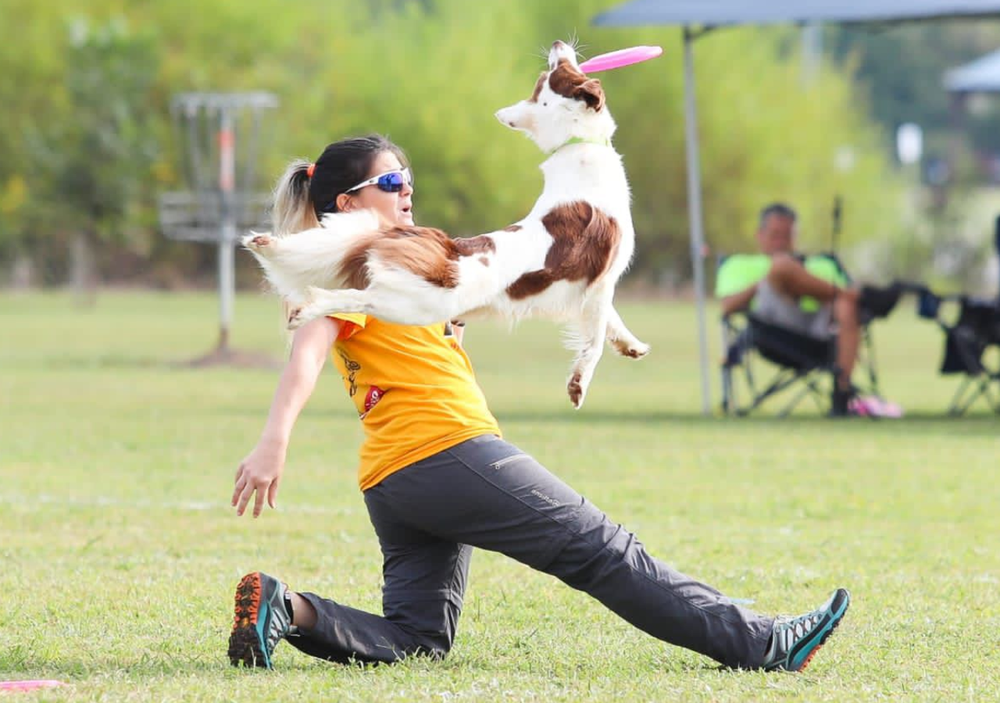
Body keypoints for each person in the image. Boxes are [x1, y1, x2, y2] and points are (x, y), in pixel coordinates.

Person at [227, 136, 850, 672]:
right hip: (446, 452)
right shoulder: (346, 274)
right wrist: (273, 441)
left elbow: (511, 287)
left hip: (396, 482)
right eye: (391, 181)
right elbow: (304, 356)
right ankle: (765, 644)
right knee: (604, 552)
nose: (406, 189)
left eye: (408, 178)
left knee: (419, 638)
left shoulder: (405, 263)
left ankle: (288, 608)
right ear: (347, 203)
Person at [715, 203, 864, 416]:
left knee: (846, 304)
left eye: (787, 235)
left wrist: (802, 280)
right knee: (782, 266)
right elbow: (727, 307)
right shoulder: (740, 265)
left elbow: (850, 311)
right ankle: (857, 294)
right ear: (760, 234)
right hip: (772, 331)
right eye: (775, 235)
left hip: (820, 336)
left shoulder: (822, 265)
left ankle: (841, 393)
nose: (781, 242)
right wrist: (769, 279)